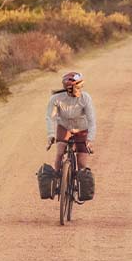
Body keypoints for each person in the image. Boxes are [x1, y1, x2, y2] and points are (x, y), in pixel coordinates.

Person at [43, 70, 96, 202]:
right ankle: (56, 181)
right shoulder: (56, 99)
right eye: (77, 86)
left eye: (80, 85)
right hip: (64, 127)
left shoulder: (86, 98)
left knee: (82, 162)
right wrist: (50, 135)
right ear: (68, 88)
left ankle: (81, 187)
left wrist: (90, 139)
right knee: (60, 151)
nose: (80, 89)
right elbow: (50, 118)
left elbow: (92, 120)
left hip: (82, 128)